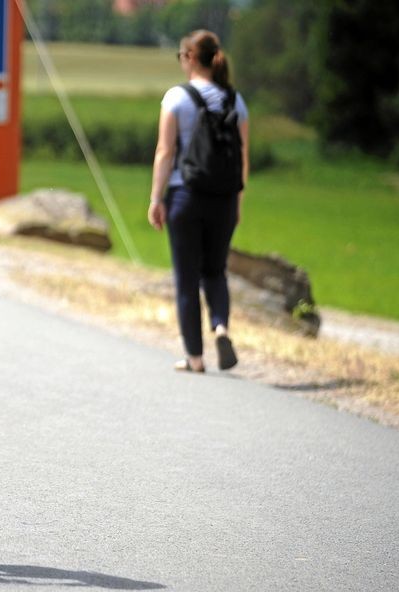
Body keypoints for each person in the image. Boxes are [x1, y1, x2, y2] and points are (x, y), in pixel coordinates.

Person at [147, 29, 250, 373]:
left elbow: (165, 151)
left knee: (187, 278)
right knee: (215, 271)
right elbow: (242, 157)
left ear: (190, 58)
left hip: (185, 196)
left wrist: (155, 198)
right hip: (223, 198)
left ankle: (195, 357)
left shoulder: (176, 98)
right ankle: (220, 325)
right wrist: (237, 200)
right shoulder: (236, 100)